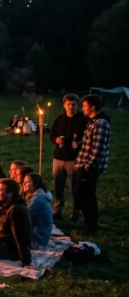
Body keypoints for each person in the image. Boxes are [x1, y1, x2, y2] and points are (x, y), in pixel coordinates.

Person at [74, 94, 111, 235]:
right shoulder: (92, 121)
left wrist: (87, 166)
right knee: (83, 196)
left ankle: (91, 226)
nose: (82, 108)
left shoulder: (100, 123)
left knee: (87, 196)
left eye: (84, 106)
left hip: (89, 167)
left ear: (93, 107)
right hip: (83, 165)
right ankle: (89, 223)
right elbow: (90, 143)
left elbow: (98, 148)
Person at [50, 94, 89, 221]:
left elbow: (88, 137)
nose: (71, 107)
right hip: (59, 157)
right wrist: (56, 139)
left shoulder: (83, 120)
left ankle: (76, 212)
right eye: (68, 104)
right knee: (58, 185)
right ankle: (57, 209)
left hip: (74, 158)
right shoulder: (59, 119)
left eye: (73, 104)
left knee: (75, 186)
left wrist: (79, 143)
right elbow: (52, 135)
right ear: (64, 105)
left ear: (77, 105)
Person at [23, 173, 53, 248]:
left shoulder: (37, 200)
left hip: (38, 240)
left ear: (34, 184)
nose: (23, 184)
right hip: (40, 236)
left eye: (26, 182)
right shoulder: (37, 197)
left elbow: (22, 218)